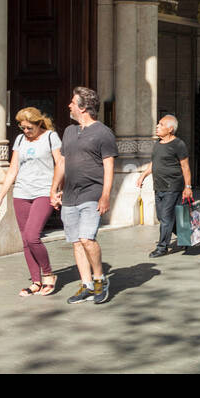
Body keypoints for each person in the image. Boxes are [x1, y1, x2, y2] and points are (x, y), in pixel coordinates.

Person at [51, 87, 116, 305]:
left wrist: (105, 195)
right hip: (70, 194)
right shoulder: (69, 132)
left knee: (87, 238)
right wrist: (54, 189)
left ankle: (100, 279)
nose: (68, 105)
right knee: (77, 242)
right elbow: (62, 162)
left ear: (83, 107)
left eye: (72, 102)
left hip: (92, 192)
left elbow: (109, 166)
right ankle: (86, 284)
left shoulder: (103, 133)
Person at [0, 107, 62, 297]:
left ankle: (48, 274)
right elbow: (13, 169)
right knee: (25, 240)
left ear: (39, 124)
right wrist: (0, 196)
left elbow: (60, 163)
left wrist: (56, 190)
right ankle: (36, 282)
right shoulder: (20, 139)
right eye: (22, 127)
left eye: (29, 128)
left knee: (33, 235)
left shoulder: (51, 137)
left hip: (43, 192)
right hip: (21, 192)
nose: (25, 131)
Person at [136, 115, 193, 256]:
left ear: (170, 129)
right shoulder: (157, 144)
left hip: (173, 186)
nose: (157, 126)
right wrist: (143, 175)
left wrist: (188, 187)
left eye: (161, 125)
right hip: (159, 186)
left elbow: (185, 167)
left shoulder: (178, 145)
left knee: (166, 218)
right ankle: (186, 236)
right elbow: (154, 163)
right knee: (162, 217)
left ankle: (162, 247)